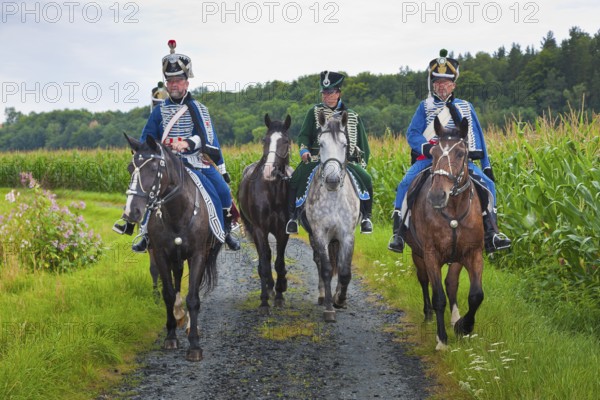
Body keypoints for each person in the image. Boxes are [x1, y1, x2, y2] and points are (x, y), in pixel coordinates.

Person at [113, 39, 240, 252]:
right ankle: (142, 233)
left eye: (178, 80)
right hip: (165, 165)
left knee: (223, 191)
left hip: (195, 162)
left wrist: (188, 143)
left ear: (186, 83)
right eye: (170, 81)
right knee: (145, 191)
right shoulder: (158, 111)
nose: (174, 85)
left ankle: (225, 231)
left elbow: (208, 138)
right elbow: (147, 139)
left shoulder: (199, 109)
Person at [388, 49, 511, 254]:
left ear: (453, 84)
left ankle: (492, 233)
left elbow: (478, 137)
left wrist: (486, 165)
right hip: (430, 160)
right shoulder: (425, 106)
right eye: (437, 82)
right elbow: (413, 133)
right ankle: (398, 233)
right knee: (404, 184)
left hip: (459, 161)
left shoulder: (465, 106)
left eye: (445, 82)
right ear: (433, 85)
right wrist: (426, 148)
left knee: (487, 185)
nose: (441, 86)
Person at [285, 71, 373, 234]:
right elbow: (304, 135)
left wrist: (362, 163)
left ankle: (367, 217)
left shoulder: (352, 115)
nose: (325, 96)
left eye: (329, 92)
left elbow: (363, 143)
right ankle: (293, 217)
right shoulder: (314, 112)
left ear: (338, 92)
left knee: (366, 179)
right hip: (317, 159)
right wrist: (304, 150)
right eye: (323, 92)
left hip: (347, 161)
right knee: (295, 178)